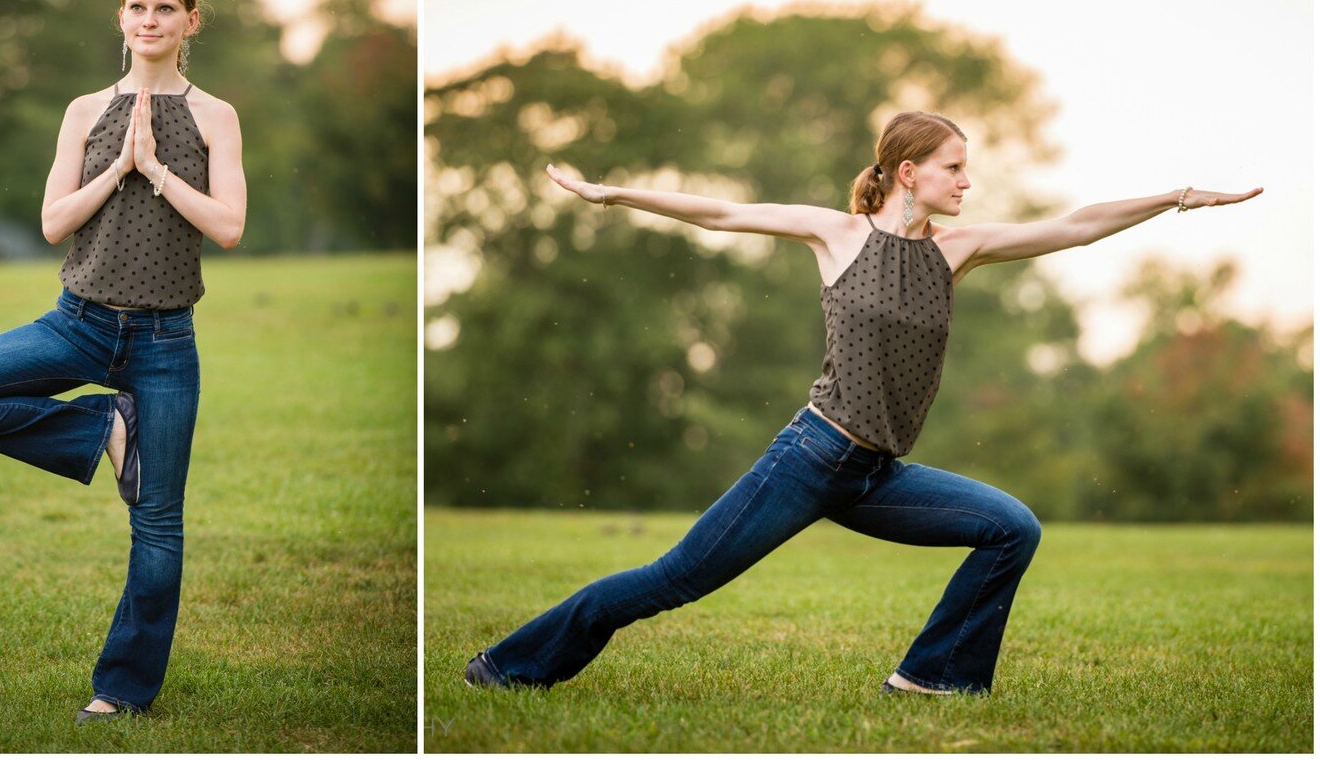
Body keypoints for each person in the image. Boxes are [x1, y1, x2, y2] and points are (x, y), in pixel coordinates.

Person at [464, 110, 1260, 695]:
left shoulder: (960, 248)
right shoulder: (837, 235)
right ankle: (507, 665)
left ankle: (932, 678)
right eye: (954, 167)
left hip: (878, 474)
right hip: (811, 457)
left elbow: (1076, 227)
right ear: (907, 171)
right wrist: (609, 196)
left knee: (1012, 527)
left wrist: (1177, 195)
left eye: (966, 169)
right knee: (671, 579)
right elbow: (719, 212)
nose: (967, 182)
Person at [0, 0, 247, 722]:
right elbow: (54, 220)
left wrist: (159, 170)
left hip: (165, 341)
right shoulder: (83, 109)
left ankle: (122, 690)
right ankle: (104, 425)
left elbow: (229, 226)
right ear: (121, 18)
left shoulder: (215, 116)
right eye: (137, 7)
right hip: (78, 324)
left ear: (190, 21)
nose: (149, 20)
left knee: (157, 524)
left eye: (165, 8)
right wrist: (121, 166)